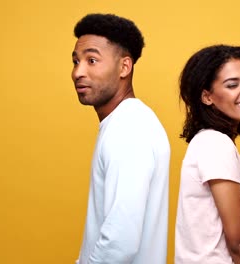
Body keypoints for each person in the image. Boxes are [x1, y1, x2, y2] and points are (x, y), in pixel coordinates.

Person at [70, 14, 170, 264]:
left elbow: (120, 240)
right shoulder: (127, 122)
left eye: (92, 60)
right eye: (75, 61)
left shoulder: (129, 128)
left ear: (125, 67)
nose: (78, 72)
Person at [175, 45, 240, 264]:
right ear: (207, 97)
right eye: (232, 85)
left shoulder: (210, 142)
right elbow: (238, 241)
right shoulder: (215, 144)